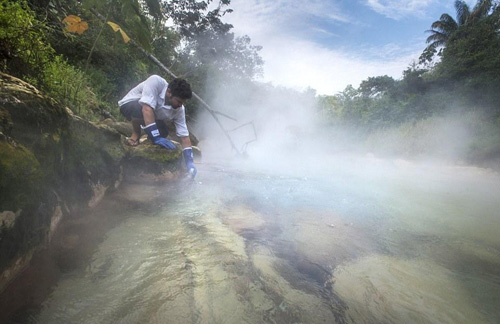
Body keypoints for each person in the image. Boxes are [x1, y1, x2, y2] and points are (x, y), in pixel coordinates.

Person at [118, 75, 197, 178]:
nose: (180, 105)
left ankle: (147, 138)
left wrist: (190, 162)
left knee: (163, 132)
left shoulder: (179, 109)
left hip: (150, 114)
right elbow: (146, 108)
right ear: (169, 92)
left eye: (182, 102)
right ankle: (136, 133)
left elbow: (185, 136)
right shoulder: (156, 82)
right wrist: (155, 136)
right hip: (129, 105)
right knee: (140, 109)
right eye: (178, 101)